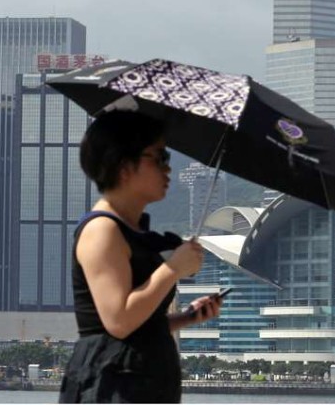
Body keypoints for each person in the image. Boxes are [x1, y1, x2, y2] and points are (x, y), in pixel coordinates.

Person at [59, 110, 223, 403]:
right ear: (124, 166)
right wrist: (172, 269)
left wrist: (187, 317)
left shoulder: (130, 230)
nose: (167, 169)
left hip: (137, 383)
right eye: (159, 158)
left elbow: (136, 326)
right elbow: (118, 321)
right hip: (113, 386)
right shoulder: (102, 230)